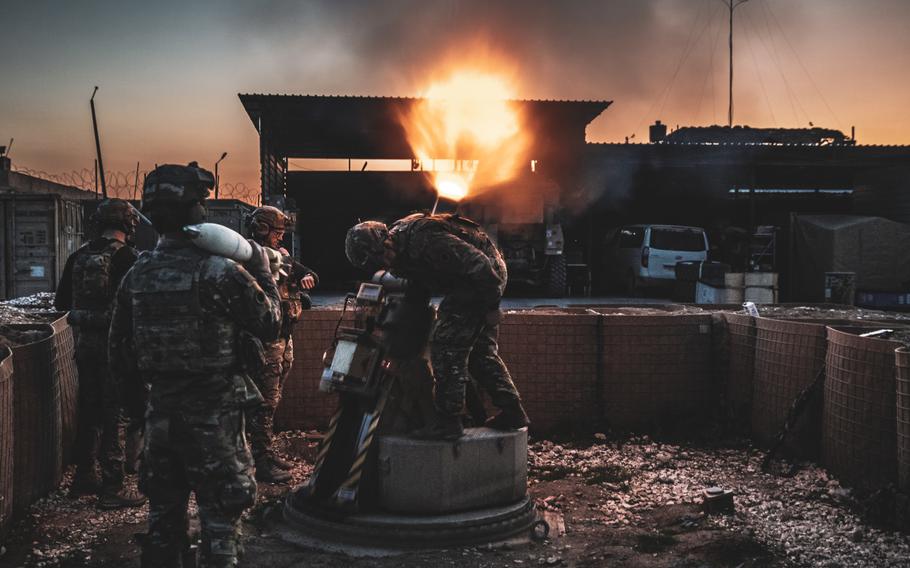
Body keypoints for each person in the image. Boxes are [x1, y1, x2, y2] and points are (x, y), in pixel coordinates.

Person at [109, 162, 282, 568]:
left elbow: (119, 352)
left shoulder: (137, 274)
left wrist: (141, 411)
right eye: (202, 203)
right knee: (221, 523)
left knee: (163, 523)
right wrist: (262, 267)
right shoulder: (220, 272)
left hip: (160, 416)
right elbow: (272, 323)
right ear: (191, 209)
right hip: (214, 417)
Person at [345, 212, 530, 440]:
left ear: (386, 239)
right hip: (464, 281)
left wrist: (491, 307)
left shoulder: (423, 239)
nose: (385, 263)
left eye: (383, 255)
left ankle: (448, 422)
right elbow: (418, 289)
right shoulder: (396, 253)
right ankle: (513, 412)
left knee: (446, 343)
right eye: (378, 262)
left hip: (483, 276)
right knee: (479, 352)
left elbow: (480, 264)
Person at [54, 197, 146, 509]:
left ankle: (84, 477)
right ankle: (113, 487)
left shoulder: (78, 256)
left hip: (85, 345)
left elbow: (61, 302)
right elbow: (137, 306)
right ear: (128, 224)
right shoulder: (129, 257)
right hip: (116, 348)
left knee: (89, 410)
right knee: (114, 415)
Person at [243, 206, 318, 483]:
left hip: (283, 336)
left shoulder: (279, 257)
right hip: (266, 339)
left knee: (272, 398)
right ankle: (259, 459)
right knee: (264, 400)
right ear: (262, 228)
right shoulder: (249, 257)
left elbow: (306, 272)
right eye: (277, 232)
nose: (281, 238)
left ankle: (264, 452)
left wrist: (306, 277)